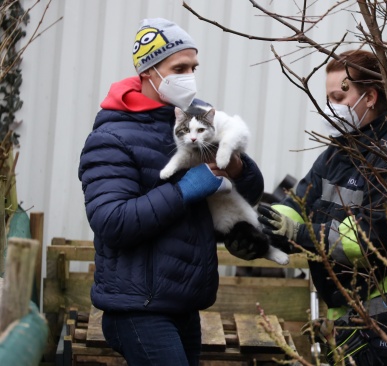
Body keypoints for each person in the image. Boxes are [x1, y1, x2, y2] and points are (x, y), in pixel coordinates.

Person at [78, 18, 264, 366]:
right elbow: (112, 222)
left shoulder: (194, 121)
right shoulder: (111, 137)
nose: (189, 76)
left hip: (185, 303)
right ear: (149, 72)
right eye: (179, 68)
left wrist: (239, 167)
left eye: (193, 67)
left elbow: (248, 192)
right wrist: (184, 190)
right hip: (139, 308)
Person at [257, 49, 387, 365]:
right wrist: (262, 231)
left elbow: (363, 242)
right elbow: (298, 203)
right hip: (351, 315)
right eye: (328, 98)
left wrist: (298, 234)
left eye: (340, 96)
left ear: (370, 97)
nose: (331, 108)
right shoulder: (337, 152)